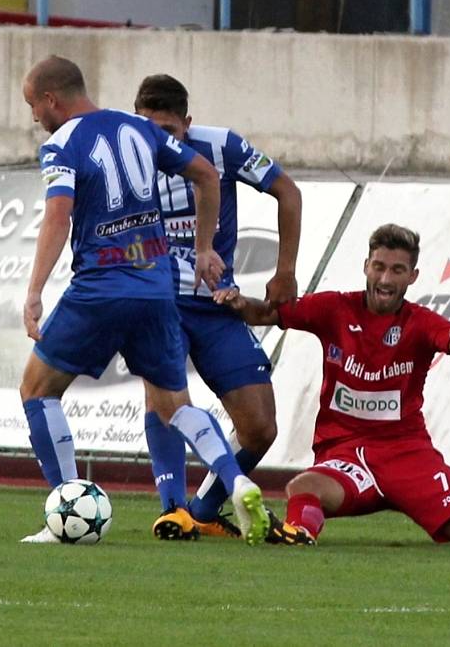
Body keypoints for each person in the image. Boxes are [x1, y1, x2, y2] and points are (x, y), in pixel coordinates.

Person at [17, 55, 269, 546]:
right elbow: (207, 176)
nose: (33, 116)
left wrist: (34, 289)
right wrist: (202, 248)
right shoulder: (139, 128)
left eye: (32, 104)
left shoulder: (61, 143)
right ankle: (235, 481)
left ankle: (66, 512)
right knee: (174, 404)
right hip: (156, 288)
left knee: (37, 389)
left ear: (51, 99)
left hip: (99, 288)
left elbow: (58, 216)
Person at [214, 223, 450, 547]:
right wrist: (240, 305)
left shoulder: (421, 322)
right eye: (379, 267)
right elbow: (267, 314)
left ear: (412, 276)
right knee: (303, 488)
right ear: (366, 267)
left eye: (397, 270)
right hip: (346, 453)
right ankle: (298, 534)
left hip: (408, 455)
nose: (385, 279)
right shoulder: (334, 309)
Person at [133, 74, 302, 541]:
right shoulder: (126, 152)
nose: (161, 141)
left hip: (215, 301)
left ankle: (204, 509)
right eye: (150, 130)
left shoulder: (221, 146)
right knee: (164, 399)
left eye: (170, 131)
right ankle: (174, 511)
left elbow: (288, 191)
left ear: (188, 123)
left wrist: (284, 270)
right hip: (155, 300)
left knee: (260, 427)